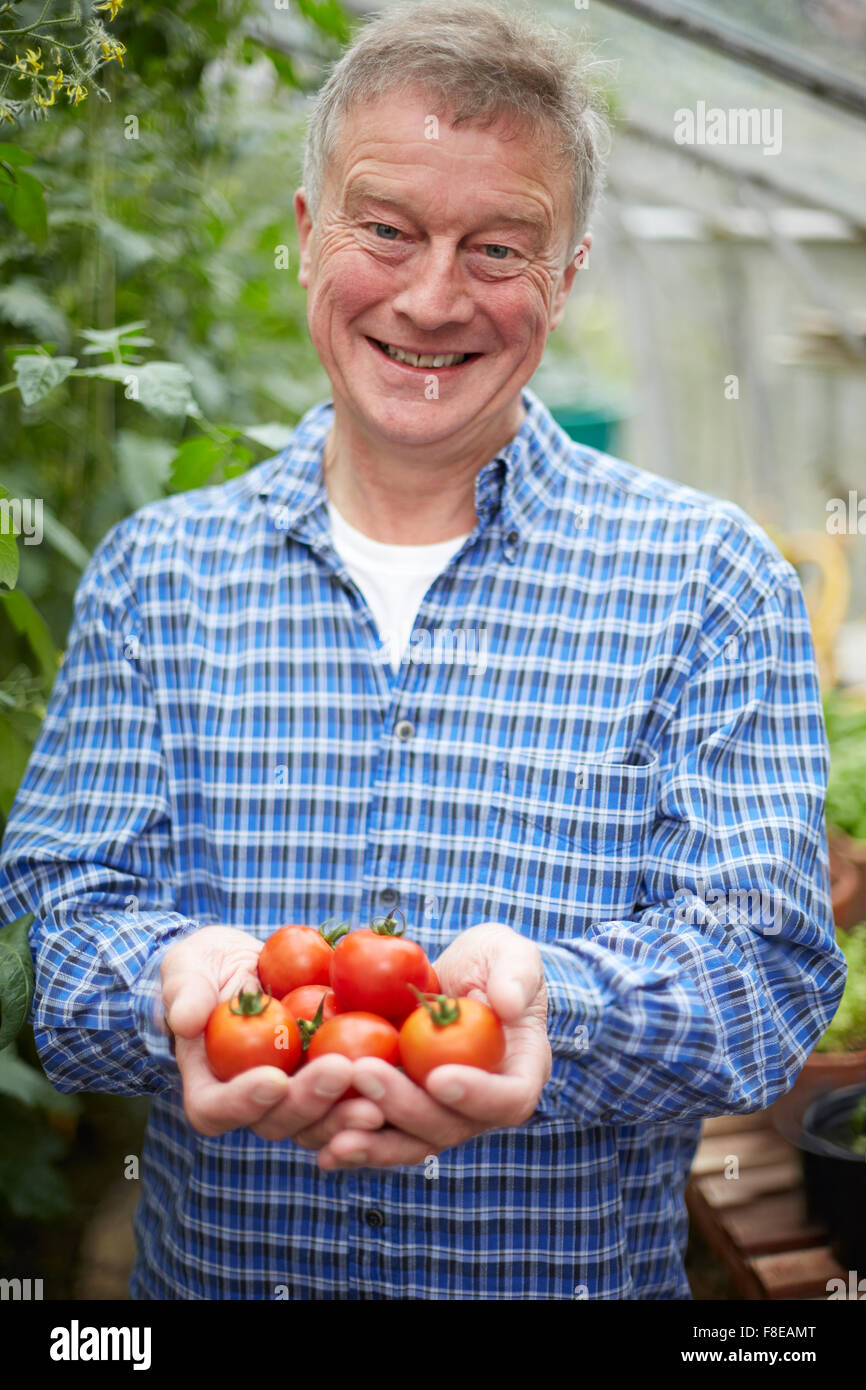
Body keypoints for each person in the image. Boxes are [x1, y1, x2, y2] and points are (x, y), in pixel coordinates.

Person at [0, 1, 846, 1300]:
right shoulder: (158, 576)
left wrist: (546, 1006)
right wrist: (169, 983)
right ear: (303, 236)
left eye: (497, 247)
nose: (432, 295)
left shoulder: (704, 579)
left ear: (562, 279)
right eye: (384, 229)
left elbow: (764, 968)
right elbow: (63, 919)